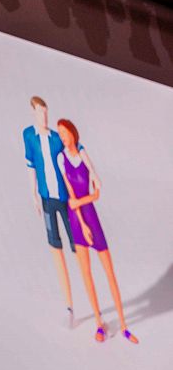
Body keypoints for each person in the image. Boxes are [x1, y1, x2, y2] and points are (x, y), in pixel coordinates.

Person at [55, 120, 138, 344]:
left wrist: (83, 202)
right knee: (87, 275)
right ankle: (99, 324)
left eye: (65, 132)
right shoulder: (61, 158)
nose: (63, 137)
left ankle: (123, 325)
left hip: (91, 215)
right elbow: (71, 196)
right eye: (60, 134)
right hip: (77, 220)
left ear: (72, 132)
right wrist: (81, 224)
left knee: (109, 272)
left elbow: (96, 191)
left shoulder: (83, 154)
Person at [22, 96, 76, 315]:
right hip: (46, 198)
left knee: (76, 245)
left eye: (46, 111)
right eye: (39, 112)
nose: (43, 116)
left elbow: (71, 157)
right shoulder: (29, 136)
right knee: (56, 247)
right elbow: (30, 164)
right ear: (33, 113)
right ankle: (69, 302)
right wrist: (33, 193)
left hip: (64, 198)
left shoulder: (56, 138)